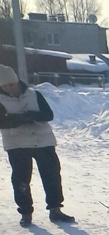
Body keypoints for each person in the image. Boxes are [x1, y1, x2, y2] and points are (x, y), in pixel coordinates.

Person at [0, 64, 74, 226]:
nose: (9, 88)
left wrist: (33, 116)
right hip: (17, 144)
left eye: (11, 84)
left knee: (52, 176)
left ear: (16, 81)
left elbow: (49, 115)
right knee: (21, 179)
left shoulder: (34, 94)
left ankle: (55, 209)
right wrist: (18, 120)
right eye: (4, 86)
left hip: (43, 141)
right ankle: (26, 212)